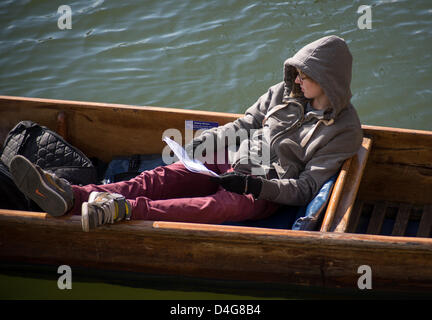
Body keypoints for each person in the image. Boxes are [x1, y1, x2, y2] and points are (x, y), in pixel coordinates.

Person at [10, 35, 363, 232]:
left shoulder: (344, 132)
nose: (297, 80)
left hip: (268, 185)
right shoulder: (283, 92)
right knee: (164, 176)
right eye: (296, 72)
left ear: (329, 81)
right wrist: (204, 144)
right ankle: (72, 195)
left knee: (212, 206)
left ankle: (121, 210)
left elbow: (303, 188)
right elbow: (244, 125)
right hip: (239, 157)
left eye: (306, 76)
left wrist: (256, 186)